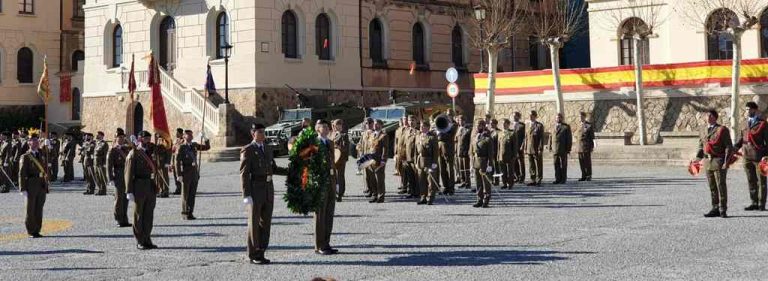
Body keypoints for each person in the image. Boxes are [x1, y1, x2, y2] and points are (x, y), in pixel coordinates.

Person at [240, 123, 284, 264]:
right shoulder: (248, 150)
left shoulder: (267, 148)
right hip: (255, 189)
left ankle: (261, 251)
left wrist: (292, 170)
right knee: (254, 222)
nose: (263, 134)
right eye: (259, 132)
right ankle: (253, 254)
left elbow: (273, 168)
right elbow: (244, 174)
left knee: (265, 223)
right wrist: (246, 195)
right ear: (253, 134)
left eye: (263, 132)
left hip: (268, 189)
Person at [694, 109, 733, 218]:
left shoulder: (722, 129)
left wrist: (726, 161)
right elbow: (701, 146)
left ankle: (722, 209)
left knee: (721, 185)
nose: (708, 117)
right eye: (706, 115)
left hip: (718, 161)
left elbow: (729, 147)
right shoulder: (703, 130)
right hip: (707, 161)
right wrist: (697, 159)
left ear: (715, 117)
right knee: (712, 186)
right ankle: (715, 207)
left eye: (710, 115)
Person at [125, 131, 159, 249]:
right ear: (140, 139)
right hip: (139, 186)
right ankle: (140, 240)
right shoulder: (134, 153)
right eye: (145, 139)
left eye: (149, 139)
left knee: (149, 214)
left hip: (150, 185)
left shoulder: (151, 152)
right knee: (139, 214)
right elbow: (128, 173)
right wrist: (129, 190)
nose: (148, 141)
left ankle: (147, 238)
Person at [735, 102, 768, 211]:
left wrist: (766, 156)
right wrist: (733, 149)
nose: (747, 111)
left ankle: (761, 204)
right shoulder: (744, 123)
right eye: (746, 109)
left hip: (759, 156)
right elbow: (740, 140)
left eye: (749, 109)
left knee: (761, 181)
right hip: (747, 156)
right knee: (751, 180)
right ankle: (754, 202)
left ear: (755, 110)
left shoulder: (762, 124)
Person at [314, 120, 339, 255]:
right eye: (323, 126)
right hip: (320, 182)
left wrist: (336, 182)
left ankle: (326, 243)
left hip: (330, 180)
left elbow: (333, 163)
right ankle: (319, 245)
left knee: (329, 213)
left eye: (327, 126)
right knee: (320, 215)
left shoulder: (329, 142)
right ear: (317, 129)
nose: (326, 128)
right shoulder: (313, 143)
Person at [175, 130, 211, 220]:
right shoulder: (181, 147)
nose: (190, 136)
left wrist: (205, 138)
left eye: (191, 135)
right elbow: (177, 162)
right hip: (186, 172)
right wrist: (179, 174)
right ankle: (184, 213)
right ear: (184, 136)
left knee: (192, 194)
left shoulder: (194, 145)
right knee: (185, 194)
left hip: (194, 173)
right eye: (188, 135)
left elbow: (207, 147)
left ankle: (190, 212)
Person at [19, 133, 48, 238]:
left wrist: (47, 146)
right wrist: (22, 188)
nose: (35, 142)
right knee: (30, 209)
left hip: (41, 184)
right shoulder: (25, 157)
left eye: (36, 140)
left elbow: (45, 167)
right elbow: (21, 173)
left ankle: (37, 229)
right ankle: (31, 230)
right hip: (31, 185)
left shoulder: (41, 154)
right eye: (32, 140)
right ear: (28, 143)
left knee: (39, 208)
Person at [108, 129, 131, 227]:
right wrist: (110, 178)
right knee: (118, 198)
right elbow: (109, 165)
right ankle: (118, 219)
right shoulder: (113, 150)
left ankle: (124, 219)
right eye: (119, 137)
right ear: (116, 138)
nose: (121, 139)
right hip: (118, 175)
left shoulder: (127, 149)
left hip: (127, 176)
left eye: (122, 137)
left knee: (126, 198)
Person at [471, 119, 494, 208]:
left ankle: (486, 200)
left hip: (484, 162)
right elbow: (472, 151)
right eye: (476, 125)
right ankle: (479, 199)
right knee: (478, 182)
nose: (477, 127)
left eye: (479, 125)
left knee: (486, 183)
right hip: (476, 162)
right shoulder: (476, 136)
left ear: (484, 126)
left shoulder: (488, 138)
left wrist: (490, 165)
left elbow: (491, 154)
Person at [415, 120, 439, 205]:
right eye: (420, 126)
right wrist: (415, 161)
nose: (421, 127)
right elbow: (416, 151)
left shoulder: (432, 137)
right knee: (421, 181)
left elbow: (436, 152)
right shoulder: (418, 136)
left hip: (429, 161)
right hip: (420, 161)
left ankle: (430, 198)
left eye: (423, 126)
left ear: (428, 127)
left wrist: (434, 163)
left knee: (430, 182)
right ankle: (423, 197)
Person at [367, 119, 388, 203]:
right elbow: (370, 147)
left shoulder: (384, 135)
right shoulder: (372, 134)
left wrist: (383, 160)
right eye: (374, 124)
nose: (375, 125)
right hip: (371, 159)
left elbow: (385, 148)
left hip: (379, 160)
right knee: (372, 179)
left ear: (381, 125)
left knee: (379, 179)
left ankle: (381, 196)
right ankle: (375, 195)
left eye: (377, 124)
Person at [437, 114, 456, 195]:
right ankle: (445, 187)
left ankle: (451, 188)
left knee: (450, 170)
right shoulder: (439, 127)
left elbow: (449, 136)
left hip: (449, 151)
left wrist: (440, 134)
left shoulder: (453, 127)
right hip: (440, 151)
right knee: (442, 169)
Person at [550, 113, 572, 184]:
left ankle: (563, 179)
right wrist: (549, 146)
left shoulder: (566, 127)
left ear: (562, 118)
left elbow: (569, 138)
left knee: (563, 164)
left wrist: (568, 149)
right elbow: (551, 137)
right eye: (557, 118)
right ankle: (557, 178)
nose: (558, 119)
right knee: (556, 164)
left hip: (563, 148)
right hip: (555, 149)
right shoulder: (553, 126)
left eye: (559, 118)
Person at [330, 119, 349, 202]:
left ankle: (340, 194)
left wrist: (336, 147)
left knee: (340, 176)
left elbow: (345, 148)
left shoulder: (344, 135)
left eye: (337, 125)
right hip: (333, 159)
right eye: (334, 125)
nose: (334, 127)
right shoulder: (332, 135)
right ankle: (335, 192)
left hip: (341, 159)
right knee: (334, 176)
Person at [526, 111, 545, 186]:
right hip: (529, 148)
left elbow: (541, 138)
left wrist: (540, 149)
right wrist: (525, 148)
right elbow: (526, 137)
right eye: (529, 115)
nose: (530, 117)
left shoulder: (539, 125)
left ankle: (539, 179)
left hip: (536, 148)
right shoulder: (527, 125)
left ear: (535, 116)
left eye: (532, 115)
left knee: (538, 164)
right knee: (531, 165)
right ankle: (533, 179)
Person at [497, 118, 518, 189]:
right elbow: (498, 146)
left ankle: (510, 183)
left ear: (508, 124)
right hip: (501, 155)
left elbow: (515, 145)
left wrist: (514, 155)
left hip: (510, 155)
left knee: (510, 170)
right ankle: (504, 183)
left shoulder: (512, 133)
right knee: (503, 171)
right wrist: (498, 155)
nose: (503, 125)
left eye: (505, 123)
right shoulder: (499, 133)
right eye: (502, 123)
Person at [357, 117, 374, 196]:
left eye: (370, 123)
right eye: (366, 123)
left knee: (372, 175)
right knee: (367, 174)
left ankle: (374, 190)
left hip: (371, 157)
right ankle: (369, 189)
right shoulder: (363, 133)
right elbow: (359, 143)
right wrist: (359, 150)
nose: (368, 125)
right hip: (364, 156)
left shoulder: (374, 133)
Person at [403, 115, 419, 198]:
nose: (411, 122)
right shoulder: (406, 131)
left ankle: (418, 192)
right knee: (410, 177)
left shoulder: (418, 132)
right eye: (409, 120)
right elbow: (405, 145)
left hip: (414, 158)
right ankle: (412, 192)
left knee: (417, 176)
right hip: (407, 157)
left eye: (413, 120)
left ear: (416, 121)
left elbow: (418, 147)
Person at [576, 112, 595, 182]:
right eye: (579, 116)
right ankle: (583, 175)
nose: (580, 118)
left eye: (581, 116)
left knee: (587, 162)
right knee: (581, 162)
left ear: (584, 117)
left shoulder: (588, 125)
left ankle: (589, 175)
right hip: (579, 147)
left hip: (586, 146)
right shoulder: (578, 125)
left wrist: (592, 147)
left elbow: (592, 137)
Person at [455, 115, 471, 189]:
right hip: (459, 151)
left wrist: (469, 151)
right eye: (459, 120)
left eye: (461, 120)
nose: (460, 122)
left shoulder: (468, 129)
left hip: (465, 151)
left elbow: (470, 142)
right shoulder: (458, 129)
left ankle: (468, 182)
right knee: (460, 168)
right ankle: (463, 181)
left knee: (466, 168)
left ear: (464, 121)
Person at [396, 117, 410, 195]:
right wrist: (395, 152)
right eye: (404, 120)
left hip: (406, 153)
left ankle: (407, 187)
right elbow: (397, 141)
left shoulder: (409, 130)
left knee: (406, 170)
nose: (405, 121)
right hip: (399, 152)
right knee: (400, 169)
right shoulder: (399, 129)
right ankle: (403, 184)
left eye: (406, 120)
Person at [155, 133, 172, 198]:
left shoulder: (167, 140)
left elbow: (169, 152)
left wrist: (168, 162)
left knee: (165, 176)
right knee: (159, 177)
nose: (157, 135)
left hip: (164, 162)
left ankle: (165, 191)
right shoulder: (159, 140)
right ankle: (161, 190)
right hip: (158, 162)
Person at [512, 112, 526, 183]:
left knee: (521, 162)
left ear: (518, 117)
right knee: (514, 162)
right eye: (513, 116)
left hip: (520, 146)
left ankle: (522, 177)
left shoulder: (522, 125)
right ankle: (517, 176)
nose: (514, 117)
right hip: (512, 147)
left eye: (516, 116)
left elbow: (524, 137)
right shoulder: (511, 125)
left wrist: (522, 145)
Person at [94, 131, 110, 196]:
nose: (97, 136)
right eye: (97, 135)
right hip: (96, 163)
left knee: (102, 177)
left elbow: (105, 154)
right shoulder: (97, 143)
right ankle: (99, 189)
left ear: (102, 136)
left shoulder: (104, 144)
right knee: (97, 176)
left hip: (101, 163)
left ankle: (103, 190)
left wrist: (104, 163)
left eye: (98, 135)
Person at [488, 119, 501, 186]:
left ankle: (497, 180)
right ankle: (491, 179)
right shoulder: (488, 131)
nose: (491, 124)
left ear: (496, 124)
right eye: (490, 123)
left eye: (492, 123)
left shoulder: (498, 132)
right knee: (490, 167)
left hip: (496, 151)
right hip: (489, 152)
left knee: (496, 167)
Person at [171, 128, 184, 195]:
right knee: (175, 175)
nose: (176, 134)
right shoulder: (175, 141)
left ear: (181, 133)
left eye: (177, 133)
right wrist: (171, 163)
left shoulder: (183, 141)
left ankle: (182, 189)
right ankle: (178, 188)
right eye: (176, 133)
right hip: (174, 160)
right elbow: (172, 152)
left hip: (180, 161)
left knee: (180, 174)